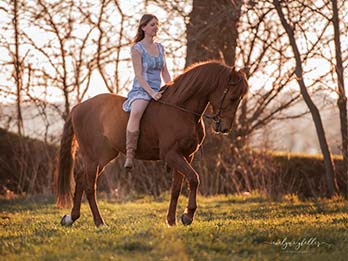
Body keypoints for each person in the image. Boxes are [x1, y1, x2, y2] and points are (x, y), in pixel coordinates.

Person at [122, 14, 171, 169]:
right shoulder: (137, 49)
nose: (155, 27)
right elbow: (139, 75)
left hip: (159, 89)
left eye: (157, 24)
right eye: (152, 24)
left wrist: (171, 87)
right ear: (143, 27)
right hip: (142, 89)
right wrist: (151, 93)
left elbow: (165, 72)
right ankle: (130, 154)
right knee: (136, 112)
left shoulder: (161, 48)